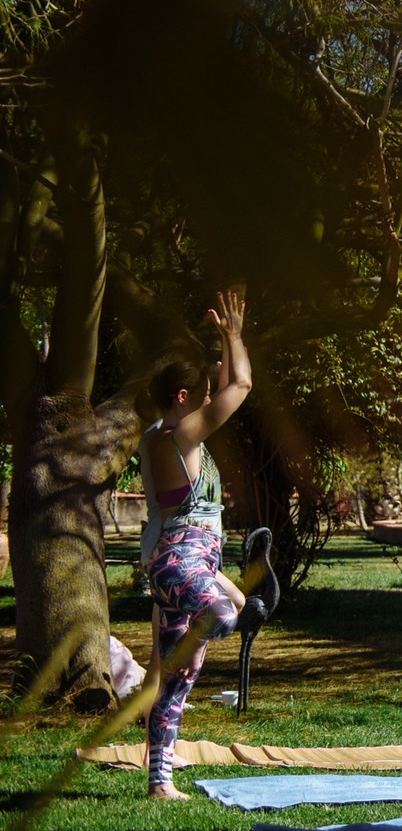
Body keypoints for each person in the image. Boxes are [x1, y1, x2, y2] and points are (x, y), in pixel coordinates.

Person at [137, 289, 263, 798]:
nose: (215, 402)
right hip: (182, 566)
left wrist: (223, 355)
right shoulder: (180, 437)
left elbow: (232, 382)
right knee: (227, 616)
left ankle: (159, 781)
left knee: (177, 681)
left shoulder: (157, 435)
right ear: (184, 399)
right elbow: (245, 384)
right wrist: (233, 336)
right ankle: (195, 641)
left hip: (178, 564)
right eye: (204, 394)